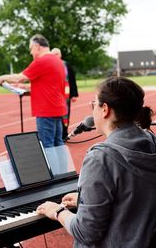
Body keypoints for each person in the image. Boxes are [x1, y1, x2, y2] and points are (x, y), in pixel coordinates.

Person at [36, 76, 156, 248]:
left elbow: (86, 233)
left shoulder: (101, 158)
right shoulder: (152, 142)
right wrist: (86, 201)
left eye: (94, 105)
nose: (92, 111)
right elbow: (135, 197)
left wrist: (57, 211)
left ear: (105, 109)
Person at [0, 34, 67, 148]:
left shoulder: (42, 61)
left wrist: (2, 78)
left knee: (47, 145)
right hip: (57, 108)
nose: (31, 52)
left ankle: (51, 167)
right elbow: (48, 85)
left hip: (46, 110)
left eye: (31, 48)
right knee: (58, 143)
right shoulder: (57, 61)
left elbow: (20, 77)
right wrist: (22, 87)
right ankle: (62, 167)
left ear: (37, 46)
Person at [51, 48, 78, 140]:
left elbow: (72, 80)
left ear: (60, 55)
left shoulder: (66, 65)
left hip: (65, 95)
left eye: (56, 54)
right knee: (54, 115)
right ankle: (55, 134)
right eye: (53, 54)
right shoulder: (49, 66)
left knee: (65, 114)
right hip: (53, 95)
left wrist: (74, 94)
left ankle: (64, 134)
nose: (55, 56)